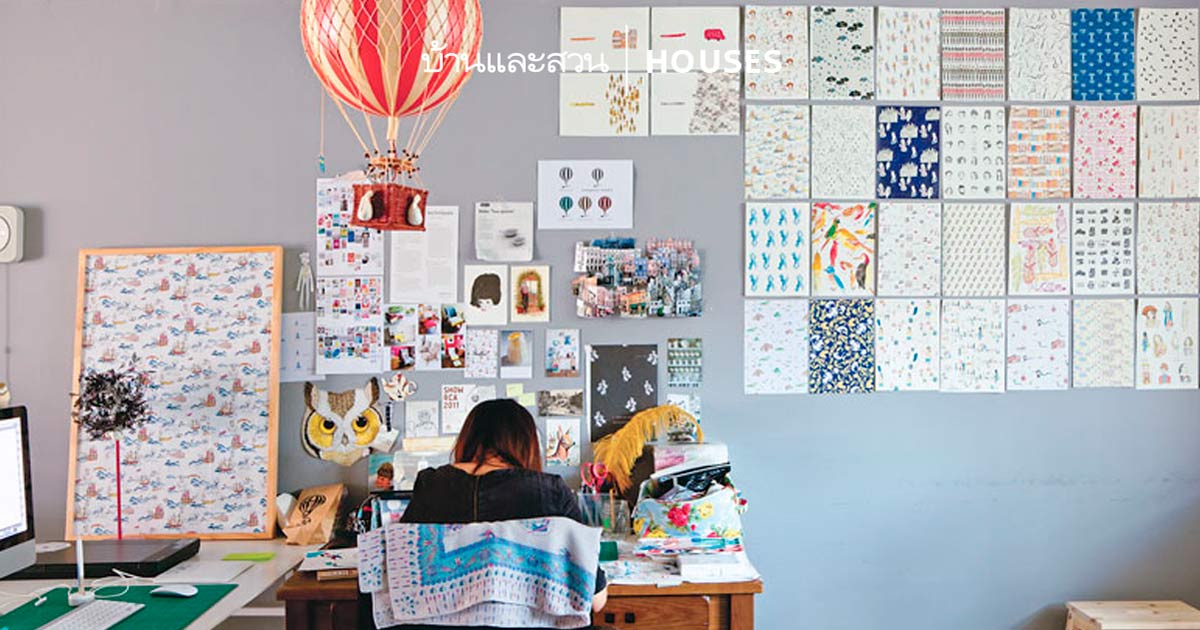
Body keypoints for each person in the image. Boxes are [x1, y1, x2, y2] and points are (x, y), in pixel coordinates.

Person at [399, 398, 608, 628]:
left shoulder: (431, 486)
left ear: (468, 439)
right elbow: (596, 600)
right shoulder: (551, 491)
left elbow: (399, 579)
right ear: (526, 443)